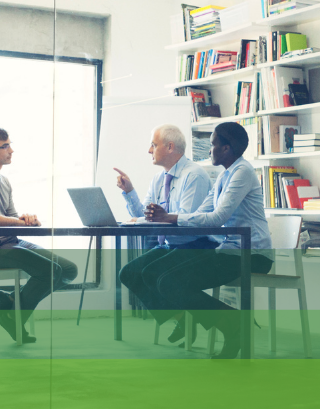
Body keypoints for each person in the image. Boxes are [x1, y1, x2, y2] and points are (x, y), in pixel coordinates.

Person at [143, 121, 272, 359]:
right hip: (228, 251)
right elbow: (202, 212)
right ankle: (233, 322)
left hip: (252, 255)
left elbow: (217, 217)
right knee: (166, 280)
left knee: (171, 281)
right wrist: (169, 217)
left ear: (226, 148)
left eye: (212, 145)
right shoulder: (224, 175)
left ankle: (233, 324)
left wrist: (169, 217)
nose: (208, 150)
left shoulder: (242, 172)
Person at [0, 127, 78, 343]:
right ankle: (11, 314)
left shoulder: (4, 181)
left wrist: (28, 220)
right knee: (50, 270)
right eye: (4, 146)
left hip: (11, 243)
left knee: (69, 270)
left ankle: (8, 305)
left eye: (9, 144)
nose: (11, 150)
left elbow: (12, 220)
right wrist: (18, 221)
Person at [113, 124, 212, 344]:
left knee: (152, 273)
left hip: (195, 245)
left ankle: (194, 317)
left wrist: (149, 218)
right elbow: (146, 216)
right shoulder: (159, 179)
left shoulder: (194, 175)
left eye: (153, 145)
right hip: (170, 245)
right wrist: (129, 191)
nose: (149, 150)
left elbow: (186, 220)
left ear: (169, 147)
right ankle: (182, 318)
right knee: (128, 273)